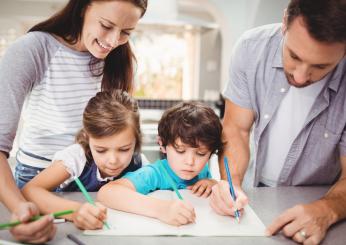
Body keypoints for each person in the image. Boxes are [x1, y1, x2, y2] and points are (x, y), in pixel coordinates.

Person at [0, 0, 146, 242]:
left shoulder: (121, 60)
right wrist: (19, 208)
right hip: (40, 182)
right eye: (106, 25)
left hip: (94, 177)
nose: (113, 41)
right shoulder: (33, 49)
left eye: (126, 33)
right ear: (83, 7)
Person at [209, 0, 346, 244]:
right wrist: (232, 184)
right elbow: (236, 130)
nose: (301, 76)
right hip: (255, 191)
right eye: (294, 55)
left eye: (321, 66)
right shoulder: (251, 49)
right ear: (284, 22)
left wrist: (327, 210)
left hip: (326, 198)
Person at [22, 90, 142, 230]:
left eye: (124, 149)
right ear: (87, 137)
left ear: (136, 139)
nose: (113, 160)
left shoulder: (139, 162)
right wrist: (75, 211)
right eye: (101, 150)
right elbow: (29, 191)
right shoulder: (75, 158)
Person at [97, 102, 224, 226]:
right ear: (162, 144)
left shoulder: (203, 171)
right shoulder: (154, 173)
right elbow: (108, 192)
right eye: (180, 151)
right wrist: (162, 209)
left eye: (201, 153)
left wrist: (212, 183)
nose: (190, 162)